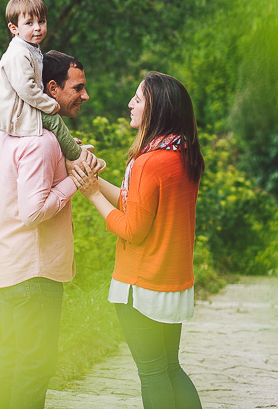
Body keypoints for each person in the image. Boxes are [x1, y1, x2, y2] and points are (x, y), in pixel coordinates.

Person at [71, 72, 204, 409]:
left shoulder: (148, 163)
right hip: (171, 283)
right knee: (170, 368)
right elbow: (139, 206)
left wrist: (91, 196)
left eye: (139, 99)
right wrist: (96, 181)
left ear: (156, 109)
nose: (130, 104)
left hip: (141, 285)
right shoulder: (182, 156)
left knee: (153, 374)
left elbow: (132, 228)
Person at [0, 50, 97, 409]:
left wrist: (73, 156)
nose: (85, 95)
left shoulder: (11, 131)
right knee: (35, 365)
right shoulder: (42, 142)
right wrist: (75, 182)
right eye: (78, 87)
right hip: (33, 272)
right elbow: (33, 212)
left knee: (12, 357)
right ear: (51, 87)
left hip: (7, 265)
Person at [0, 0, 85, 164]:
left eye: (42, 21)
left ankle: (65, 144)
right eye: (29, 23)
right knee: (53, 117)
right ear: (14, 28)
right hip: (12, 113)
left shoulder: (30, 49)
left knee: (53, 117)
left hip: (21, 107)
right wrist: (50, 104)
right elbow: (27, 89)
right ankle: (77, 157)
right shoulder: (18, 54)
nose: (37, 28)